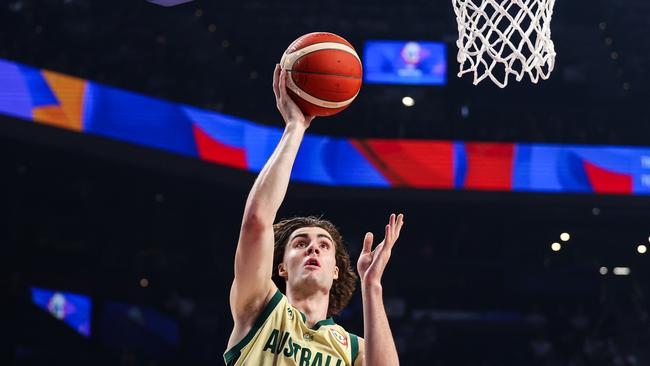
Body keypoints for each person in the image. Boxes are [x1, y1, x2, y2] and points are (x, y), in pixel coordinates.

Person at [224, 64, 404, 366]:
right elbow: (257, 222)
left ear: (335, 270)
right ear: (281, 267)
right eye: (300, 243)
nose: (312, 248)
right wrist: (295, 127)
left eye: (323, 245)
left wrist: (372, 286)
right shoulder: (259, 308)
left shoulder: (352, 348)